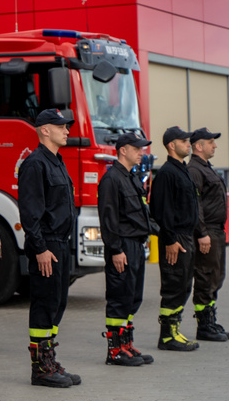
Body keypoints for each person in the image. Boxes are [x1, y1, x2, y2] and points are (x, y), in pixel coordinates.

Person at [17, 108, 80, 388]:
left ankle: (49, 360)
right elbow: (30, 213)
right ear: (45, 130)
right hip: (48, 245)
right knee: (44, 304)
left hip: (61, 244)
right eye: (61, 126)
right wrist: (40, 248)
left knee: (58, 303)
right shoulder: (35, 164)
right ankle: (40, 369)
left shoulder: (57, 161)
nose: (67, 131)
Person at [97, 133, 155, 366]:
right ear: (123, 150)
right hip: (122, 246)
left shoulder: (130, 178)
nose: (142, 152)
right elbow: (108, 219)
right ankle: (114, 351)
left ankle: (126, 345)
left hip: (135, 245)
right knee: (119, 297)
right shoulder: (112, 179)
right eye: (137, 148)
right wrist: (115, 249)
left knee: (133, 297)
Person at [150, 126, 200, 351]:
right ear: (172, 145)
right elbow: (161, 210)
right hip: (175, 238)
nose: (188, 144)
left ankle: (175, 330)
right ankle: (167, 336)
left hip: (185, 237)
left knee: (183, 286)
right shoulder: (167, 173)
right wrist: (170, 239)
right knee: (173, 285)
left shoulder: (182, 170)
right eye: (184, 141)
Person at [187, 127, 228, 342]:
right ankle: (203, 326)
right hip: (207, 232)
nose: (215, 145)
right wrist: (202, 233)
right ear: (198, 146)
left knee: (215, 277)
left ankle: (210, 320)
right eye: (211, 142)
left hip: (216, 232)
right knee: (205, 276)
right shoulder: (195, 170)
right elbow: (196, 206)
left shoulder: (207, 168)